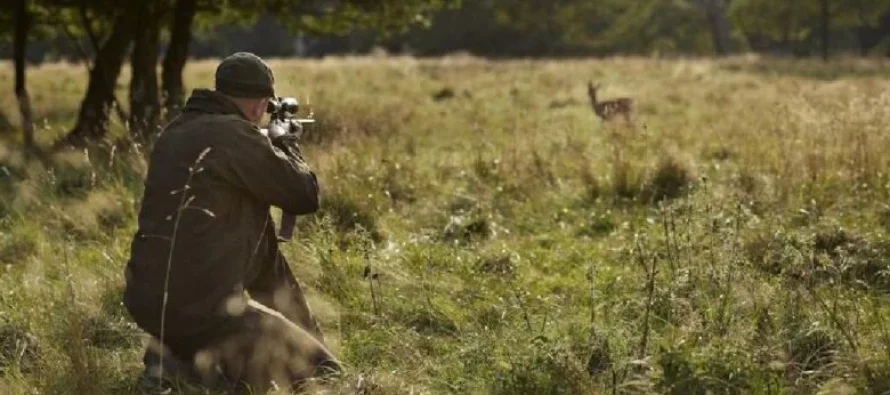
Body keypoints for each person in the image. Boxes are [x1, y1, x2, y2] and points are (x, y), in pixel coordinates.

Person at [122, 52, 340, 393]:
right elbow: (304, 195)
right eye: (265, 106)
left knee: (229, 339)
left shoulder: (176, 130)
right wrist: (286, 145)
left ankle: (173, 360)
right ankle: (191, 368)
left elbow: (263, 256)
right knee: (325, 374)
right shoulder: (235, 135)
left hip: (149, 302)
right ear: (258, 104)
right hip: (207, 308)